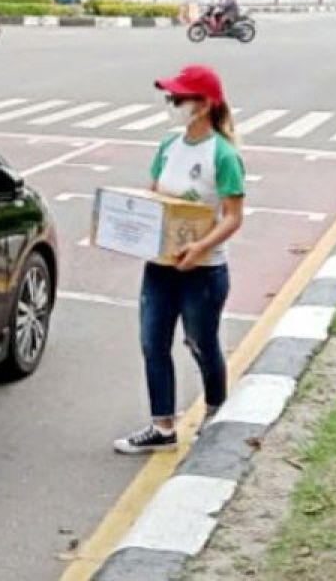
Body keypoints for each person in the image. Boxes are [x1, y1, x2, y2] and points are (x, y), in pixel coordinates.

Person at [114, 65, 246, 454]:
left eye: (179, 99)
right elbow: (154, 196)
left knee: (200, 341)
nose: (171, 105)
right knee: (153, 342)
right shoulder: (168, 146)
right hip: (160, 267)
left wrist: (200, 248)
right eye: (170, 98)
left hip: (203, 272)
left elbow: (234, 217)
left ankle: (216, 408)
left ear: (204, 105)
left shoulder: (223, 155)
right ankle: (162, 426)